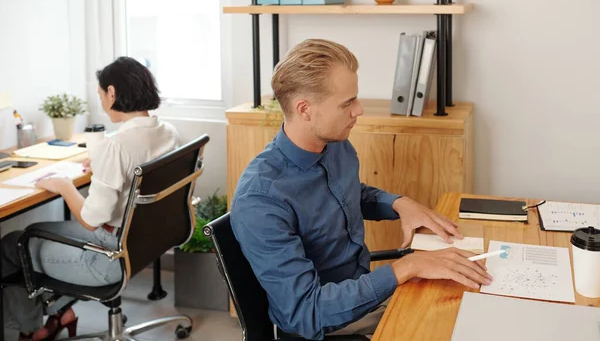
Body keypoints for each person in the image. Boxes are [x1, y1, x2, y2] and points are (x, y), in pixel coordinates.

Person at [230, 39, 492, 340]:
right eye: (347, 103)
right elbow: (307, 313)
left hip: (365, 297)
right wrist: (406, 268)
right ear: (304, 109)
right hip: (329, 325)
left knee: (474, 302)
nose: (359, 109)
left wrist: (398, 203)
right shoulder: (262, 200)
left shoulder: (333, 144)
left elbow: (349, 193)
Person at [1, 57, 179, 340]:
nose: (101, 103)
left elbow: (90, 219)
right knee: (31, 236)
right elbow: (134, 176)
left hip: (107, 258)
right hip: (142, 245)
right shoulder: (167, 132)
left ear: (112, 92)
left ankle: (32, 329)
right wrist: (102, 167)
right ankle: (62, 312)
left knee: (14, 245)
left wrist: (64, 186)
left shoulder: (117, 146)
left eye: (100, 96)